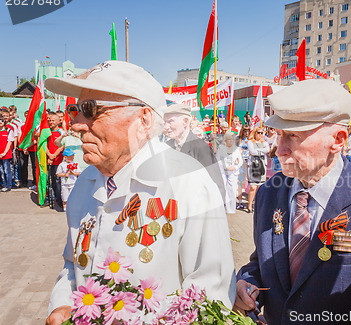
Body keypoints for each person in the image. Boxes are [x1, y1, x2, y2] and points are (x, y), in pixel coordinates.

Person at [44, 61, 235, 325]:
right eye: (75, 110)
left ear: (143, 120)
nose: (75, 124)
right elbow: (71, 265)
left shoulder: (187, 182)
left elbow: (210, 293)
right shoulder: (85, 181)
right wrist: (62, 305)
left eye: (90, 110)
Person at [234, 79, 351, 325]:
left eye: (292, 136)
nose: (279, 151)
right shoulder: (269, 193)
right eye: (279, 136)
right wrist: (247, 282)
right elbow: (262, 261)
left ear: (338, 140)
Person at [163, 103, 225, 200]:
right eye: (164, 122)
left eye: (170, 122)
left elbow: (217, 187)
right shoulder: (167, 146)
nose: (166, 127)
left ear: (185, 121)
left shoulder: (201, 148)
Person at [216, 133, 243, 214]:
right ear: (225, 140)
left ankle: (231, 209)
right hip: (223, 171)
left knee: (232, 190)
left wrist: (234, 167)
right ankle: (222, 207)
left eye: (232, 140)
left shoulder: (236, 149)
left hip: (233, 172)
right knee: (223, 188)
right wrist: (226, 167)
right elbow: (218, 159)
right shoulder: (221, 148)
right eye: (229, 140)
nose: (230, 141)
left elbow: (240, 161)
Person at [246, 126, 270, 213]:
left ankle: (257, 205)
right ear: (255, 133)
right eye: (258, 132)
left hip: (262, 165)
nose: (260, 134)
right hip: (253, 165)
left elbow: (267, 150)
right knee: (253, 186)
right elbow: (252, 151)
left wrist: (258, 150)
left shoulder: (265, 142)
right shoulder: (250, 142)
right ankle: (249, 206)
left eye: (261, 133)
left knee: (260, 187)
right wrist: (262, 150)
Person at [47, 111, 65, 207]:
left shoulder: (61, 132)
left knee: (60, 181)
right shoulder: (47, 131)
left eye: (53, 120)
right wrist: (49, 155)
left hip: (59, 160)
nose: (51, 122)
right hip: (50, 160)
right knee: (53, 181)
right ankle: (54, 199)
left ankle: (61, 200)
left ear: (58, 121)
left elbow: (63, 146)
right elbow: (43, 144)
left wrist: (54, 155)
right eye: (49, 120)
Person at [237, 125, 251, 210]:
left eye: (248, 131)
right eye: (245, 131)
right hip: (241, 162)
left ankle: (249, 201)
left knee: (249, 182)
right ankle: (240, 201)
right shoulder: (238, 139)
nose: (246, 133)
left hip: (249, 161)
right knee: (240, 182)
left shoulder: (251, 140)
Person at [0, 117, 13, 192]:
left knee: (6, 170)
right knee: (1, 171)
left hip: (6, 155)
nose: (0, 122)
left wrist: (4, 153)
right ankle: (4, 184)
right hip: (0, 155)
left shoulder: (8, 131)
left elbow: (9, 142)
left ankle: (8, 185)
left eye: (1, 121)